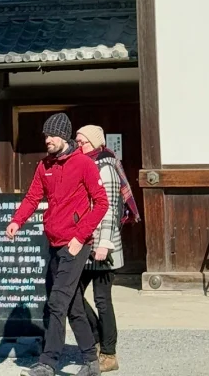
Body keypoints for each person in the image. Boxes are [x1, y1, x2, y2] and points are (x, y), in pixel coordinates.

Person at [5, 113, 109, 376]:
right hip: (54, 243)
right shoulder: (45, 165)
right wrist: (17, 220)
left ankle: (48, 363)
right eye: (46, 135)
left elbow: (101, 203)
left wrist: (80, 237)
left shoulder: (84, 163)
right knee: (73, 305)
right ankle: (91, 361)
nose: (47, 140)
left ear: (63, 136)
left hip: (75, 245)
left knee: (56, 303)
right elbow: (32, 197)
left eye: (52, 135)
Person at [75, 124, 137, 373]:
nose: (79, 145)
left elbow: (109, 208)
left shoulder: (106, 167)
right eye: (77, 141)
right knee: (72, 296)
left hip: (104, 247)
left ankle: (109, 354)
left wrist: (103, 244)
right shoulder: (85, 164)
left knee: (102, 300)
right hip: (85, 243)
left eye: (82, 142)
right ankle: (98, 338)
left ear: (95, 142)